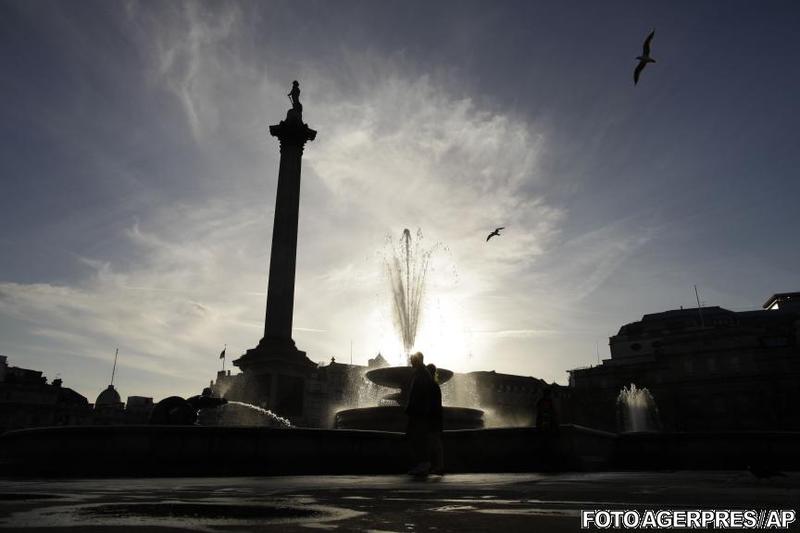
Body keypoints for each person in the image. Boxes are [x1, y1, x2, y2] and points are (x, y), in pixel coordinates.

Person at [405, 352, 434, 475]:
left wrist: (413, 407)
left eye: (412, 360)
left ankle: (423, 464)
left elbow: (420, 394)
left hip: (419, 412)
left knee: (418, 437)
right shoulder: (421, 373)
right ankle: (420, 463)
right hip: (418, 411)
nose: (410, 362)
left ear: (418, 360)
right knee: (415, 437)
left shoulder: (422, 374)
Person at [426, 363, 445, 475]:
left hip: (433, 417)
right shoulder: (435, 385)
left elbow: (431, 403)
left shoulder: (432, 385)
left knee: (434, 442)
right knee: (435, 442)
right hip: (436, 417)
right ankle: (437, 466)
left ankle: (438, 466)